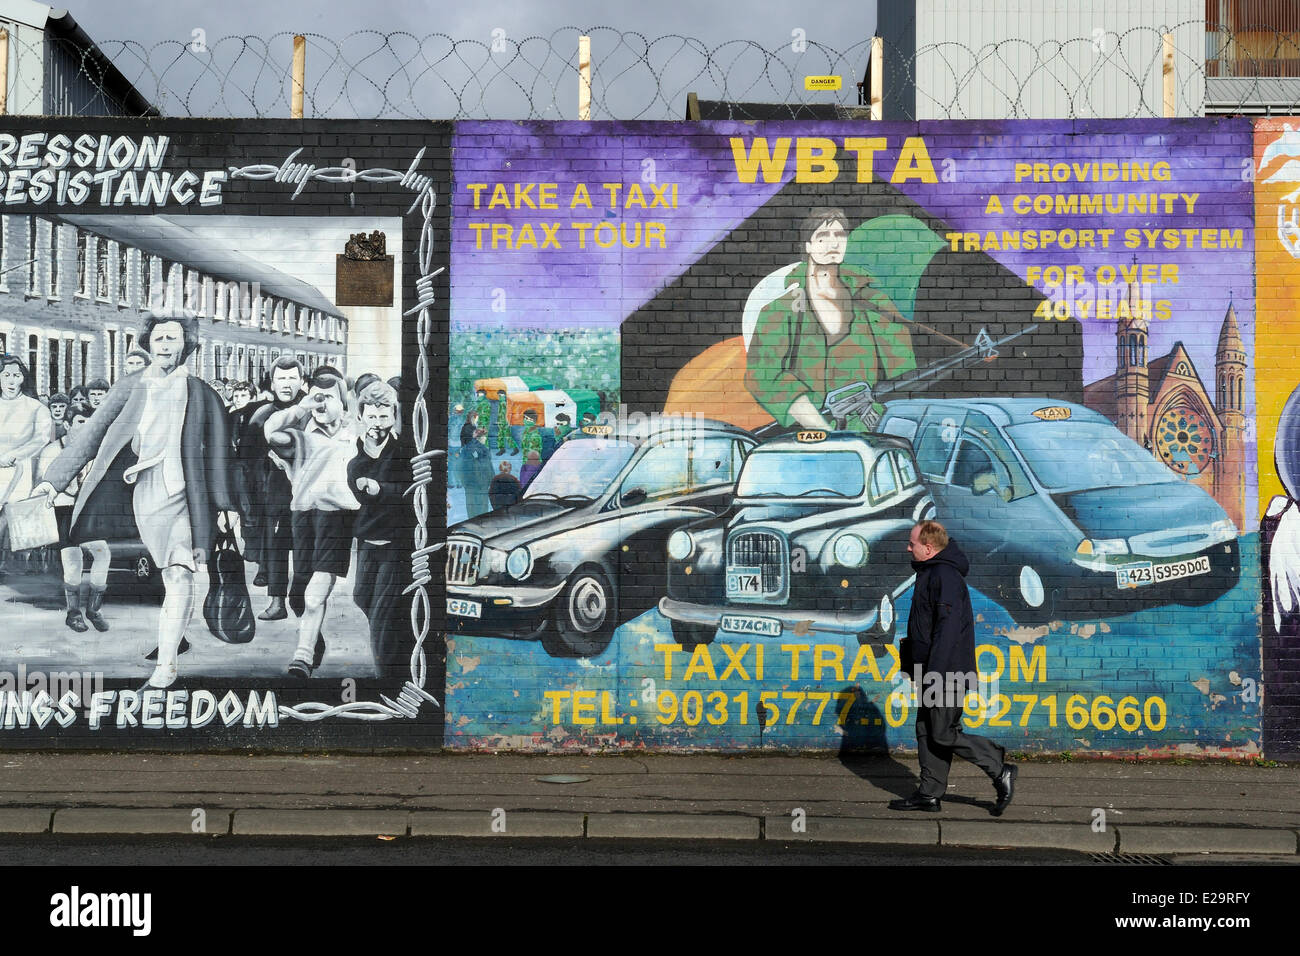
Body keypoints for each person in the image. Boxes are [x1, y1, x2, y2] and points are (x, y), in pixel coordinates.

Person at [34, 314, 235, 689]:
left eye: (172, 338)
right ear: (148, 343)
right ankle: (171, 648)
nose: (163, 345)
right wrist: (51, 483)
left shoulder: (202, 392)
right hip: (138, 493)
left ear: (186, 345)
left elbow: (221, 453)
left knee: (179, 573)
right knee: (168, 571)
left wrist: (225, 506)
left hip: (186, 496)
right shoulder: (129, 388)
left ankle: (167, 665)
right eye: (158, 338)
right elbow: (90, 436)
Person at [745, 206, 917, 431]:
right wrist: (820, 428)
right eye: (822, 236)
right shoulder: (781, 311)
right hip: (807, 434)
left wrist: (882, 417)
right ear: (807, 245)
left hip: (872, 429)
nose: (833, 243)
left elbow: (904, 373)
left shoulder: (874, 302)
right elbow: (763, 376)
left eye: (840, 235)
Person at [890, 520, 1017, 815]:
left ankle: (999, 767)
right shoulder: (931, 572)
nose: (908, 547)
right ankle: (929, 793)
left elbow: (946, 630)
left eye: (912, 543)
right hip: (933, 671)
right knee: (927, 728)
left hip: (945, 673)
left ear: (929, 547)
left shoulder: (944, 576)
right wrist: (914, 667)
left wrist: (933, 673)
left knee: (943, 732)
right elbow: (924, 627)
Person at [264, 365, 360, 678]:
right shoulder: (303, 437)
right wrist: (300, 406)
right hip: (303, 515)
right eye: (316, 397)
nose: (320, 404)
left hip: (338, 516)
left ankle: (301, 657)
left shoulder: (356, 433)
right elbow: (270, 432)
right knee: (298, 597)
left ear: (343, 402)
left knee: (315, 591)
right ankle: (312, 637)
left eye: (328, 397)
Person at [346, 381, 414, 676]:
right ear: (362, 417)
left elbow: (410, 490)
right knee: (362, 597)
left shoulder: (403, 452)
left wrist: (380, 489)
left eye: (384, 416)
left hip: (395, 543)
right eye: (372, 417)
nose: (378, 423)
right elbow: (356, 487)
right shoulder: (359, 454)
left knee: (382, 615)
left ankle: (386, 674)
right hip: (368, 541)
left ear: (394, 416)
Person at [38, 402, 111, 632]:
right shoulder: (51, 451)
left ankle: (94, 609)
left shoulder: (94, 452)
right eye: (81, 422)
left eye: (90, 424)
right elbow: (44, 484)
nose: (86, 428)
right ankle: (73, 613)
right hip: (62, 510)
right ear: (68, 424)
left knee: (102, 553)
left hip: (84, 510)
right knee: (73, 562)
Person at [245, 358, 307, 620]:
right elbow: (246, 458)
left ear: (301, 381)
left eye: (292, 378)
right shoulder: (261, 414)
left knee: (306, 549)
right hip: (274, 494)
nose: (287, 384)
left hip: (308, 492)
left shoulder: (312, 409)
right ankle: (277, 602)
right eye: (281, 378)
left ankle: (302, 598)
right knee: (276, 548)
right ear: (272, 382)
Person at [0, 355, 55, 576]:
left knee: (10, 515)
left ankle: (7, 562)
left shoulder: (35, 408)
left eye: (16, 375)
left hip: (19, 469)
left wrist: (15, 454)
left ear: (23, 378)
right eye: (6, 375)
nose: (11, 380)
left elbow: (41, 438)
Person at [457, 409, 492, 519]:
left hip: (472, 484)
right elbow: (486, 468)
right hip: (478, 484)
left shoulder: (471, 450)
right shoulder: (479, 450)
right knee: (480, 507)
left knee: (473, 508)